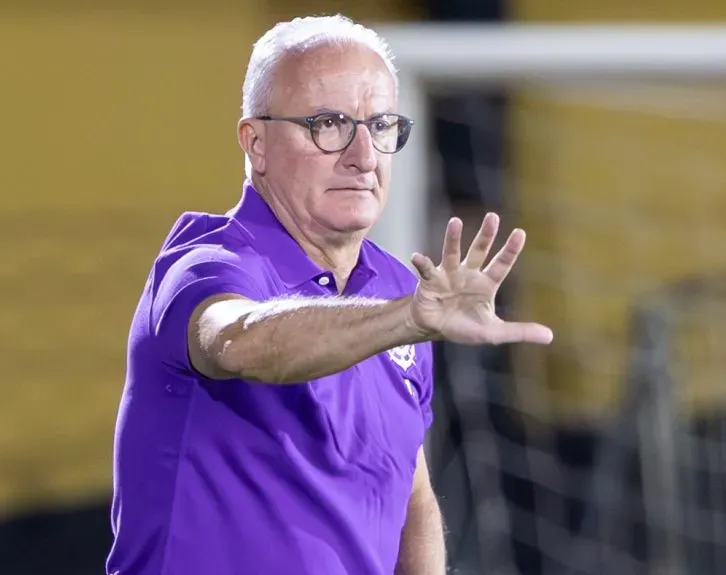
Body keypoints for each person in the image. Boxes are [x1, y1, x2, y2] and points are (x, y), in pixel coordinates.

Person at [106, 14, 553, 575]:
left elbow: (409, 488)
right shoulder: (206, 264)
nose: (364, 155)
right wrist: (406, 319)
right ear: (257, 142)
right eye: (328, 123)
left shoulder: (400, 291)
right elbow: (241, 342)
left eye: (382, 125)